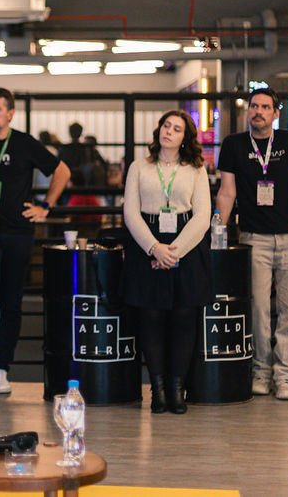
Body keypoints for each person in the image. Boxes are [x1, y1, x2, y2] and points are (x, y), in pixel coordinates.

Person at [215, 87, 288, 401]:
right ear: (248, 110)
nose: (258, 111)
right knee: (257, 309)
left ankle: (285, 377)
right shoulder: (233, 144)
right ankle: (260, 371)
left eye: (265, 107)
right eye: (254, 106)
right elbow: (227, 191)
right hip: (253, 238)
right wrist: (218, 229)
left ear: (276, 113)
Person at [0, 87, 70, 394]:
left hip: (18, 231)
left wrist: (45, 206)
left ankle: (0, 367)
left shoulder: (25, 144)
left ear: (10, 113)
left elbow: (62, 171)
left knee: (13, 298)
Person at [122, 110, 212, 414]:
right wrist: (154, 248)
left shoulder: (196, 169)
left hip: (186, 245)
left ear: (185, 137)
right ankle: (157, 390)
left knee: (184, 318)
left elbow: (202, 215)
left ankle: (177, 389)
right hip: (147, 244)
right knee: (151, 318)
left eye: (176, 128)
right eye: (166, 126)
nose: (168, 132)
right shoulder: (139, 167)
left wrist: (174, 252)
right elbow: (130, 213)